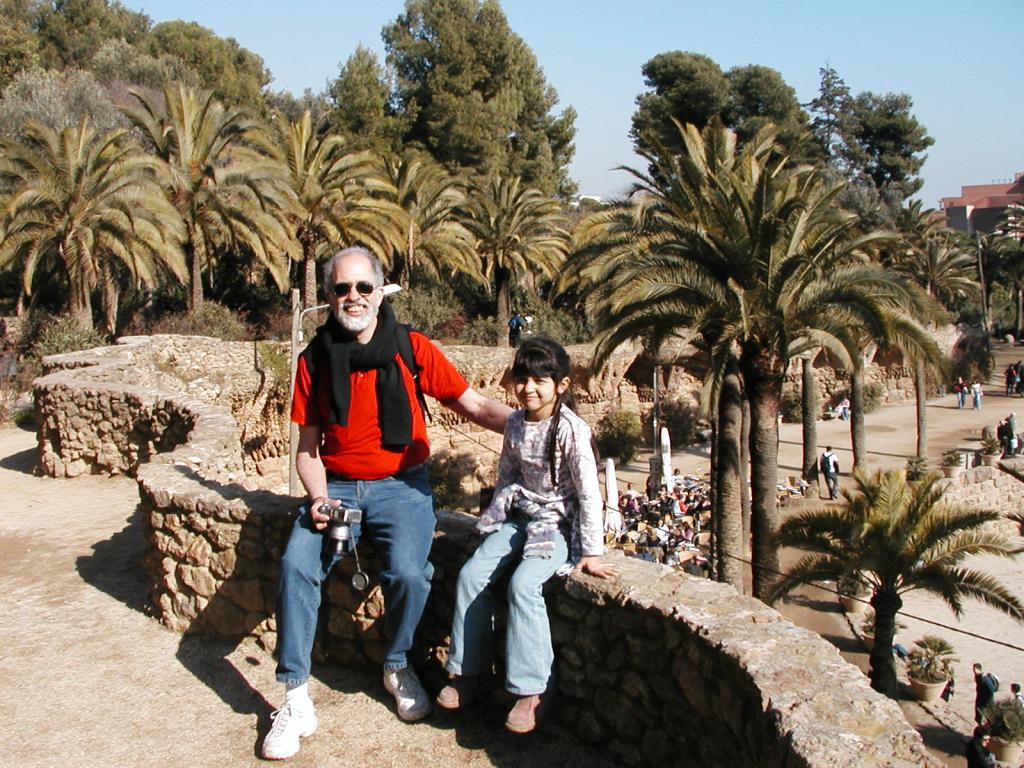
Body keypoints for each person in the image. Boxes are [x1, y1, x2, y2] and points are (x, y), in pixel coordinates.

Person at [262, 247, 513, 761]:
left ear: (380, 290)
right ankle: (293, 697)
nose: (352, 297)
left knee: (409, 573)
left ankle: (396, 662)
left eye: (362, 287)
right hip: (335, 485)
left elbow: (474, 405)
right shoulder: (314, 361)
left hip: (403, 485)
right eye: (341, 288)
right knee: (295, 565)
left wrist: (544, 427)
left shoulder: (411, 348)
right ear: (329, 296)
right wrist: (317, 498)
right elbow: (307, 451)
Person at [435, 337, 618, 734]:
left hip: (557, 525)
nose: (528, 388)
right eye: (522, 379)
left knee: (523, 585)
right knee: (471, 575)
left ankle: (532, 688)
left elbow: (589, 493)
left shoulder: (572, 430)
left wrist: (592, 551)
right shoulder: (516, 423)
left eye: (540, 380)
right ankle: (469, 670)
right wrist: (496, 520)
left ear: (561, 385)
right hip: (520, 517)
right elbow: (508, 475)